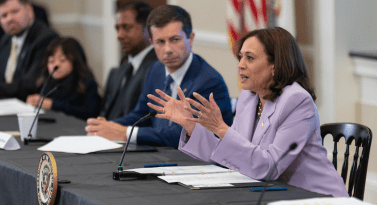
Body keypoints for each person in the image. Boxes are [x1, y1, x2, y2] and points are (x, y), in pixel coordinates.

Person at [147, 27, 349, 197]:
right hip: (274, 194)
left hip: (314, 197)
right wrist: (190, 124)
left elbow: (269, 167)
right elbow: (230, 155)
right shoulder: (249, 97)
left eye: (250, 58)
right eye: (240, 57)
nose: (241, 65)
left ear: (275, 65)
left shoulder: (296, 101)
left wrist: (221, 129)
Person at [86, 5, 233, 148]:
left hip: (196, 163)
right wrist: (108, 126)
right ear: (152, 43)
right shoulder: (156, 69)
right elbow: (141, 114)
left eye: (175, 40)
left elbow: (182, 135)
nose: (167, 49)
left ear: (191, 38)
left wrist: (126, 133)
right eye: (160, 42)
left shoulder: (209, 81)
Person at [0, 0, 58, 100]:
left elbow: (28, 86)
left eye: (15, 12)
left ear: (29, 10)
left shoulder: (46, 39)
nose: (9, 19)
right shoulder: (6, 39)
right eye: (4, 15)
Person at [99, 1, 158, 120]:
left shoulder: (158, 68)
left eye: (126, 27)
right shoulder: (118, 71)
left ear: (148, 29)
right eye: (117, 28)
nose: (119, 35)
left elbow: (147, 120)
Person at [26, 37, 100, 120]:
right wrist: (34, 101)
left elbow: (88, 113)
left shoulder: (86, 82)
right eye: (51, 61)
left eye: (62, 60)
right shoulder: (47, 80)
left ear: (75, 60)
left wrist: (52, 105)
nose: (56, 65)